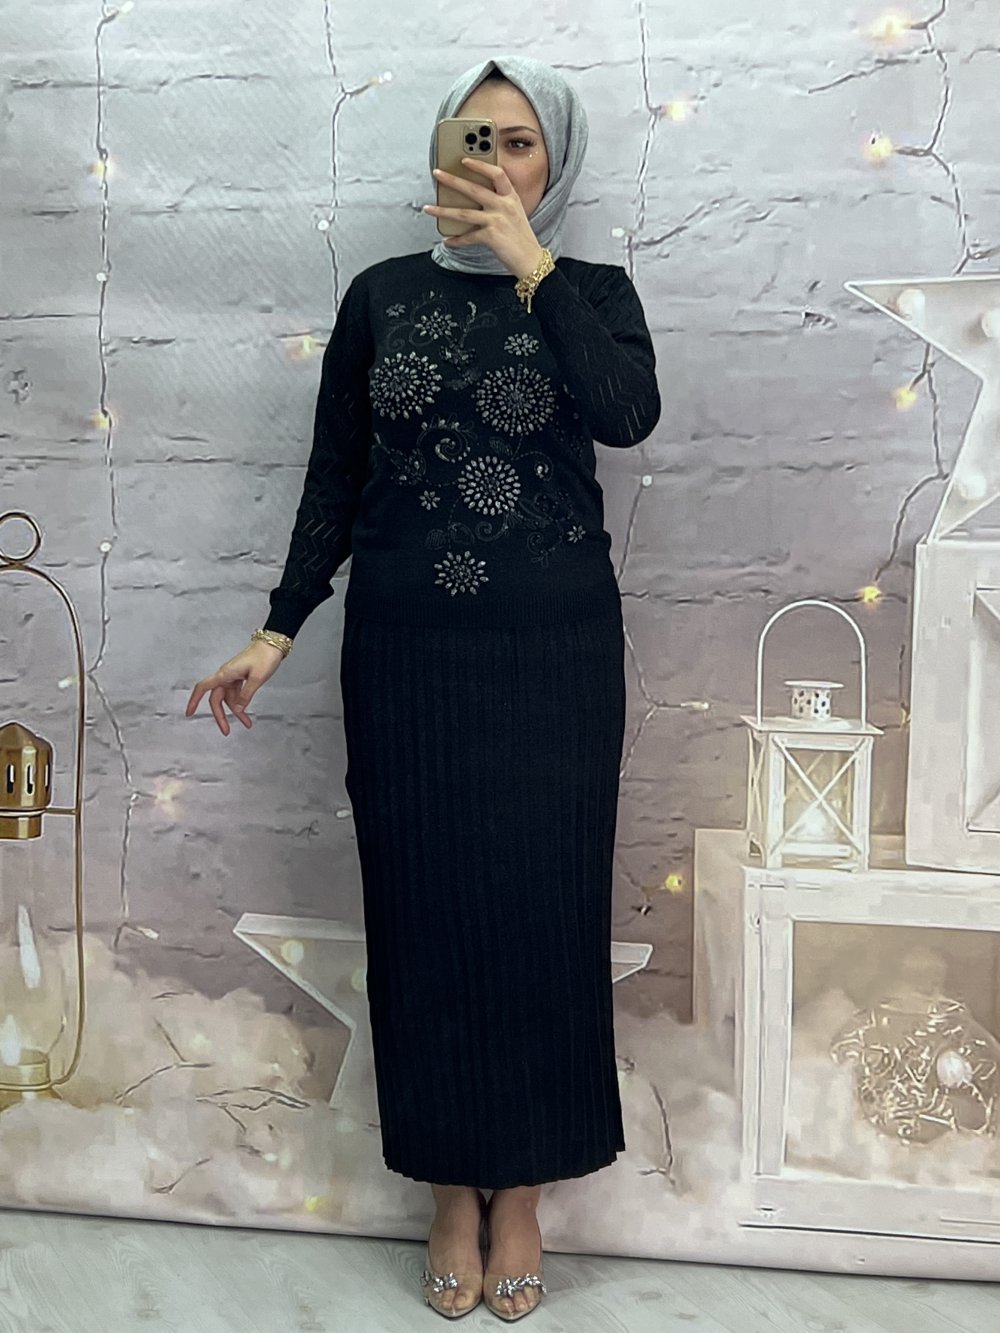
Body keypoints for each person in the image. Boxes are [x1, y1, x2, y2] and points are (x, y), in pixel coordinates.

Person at [186, 54, 660, 1323]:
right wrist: (277, 626)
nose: (493, 160)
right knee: (425, 916)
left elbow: (626, 416)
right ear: (440, 152)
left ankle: (527, 1192)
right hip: (408, 653)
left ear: (554, 161)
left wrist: (531, 267)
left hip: (553, 652)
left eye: (518, 141)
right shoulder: (381, 295)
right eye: (473, 138)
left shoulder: (594, 291)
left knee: (545, 915)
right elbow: (335, 473)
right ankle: (452, 1189)